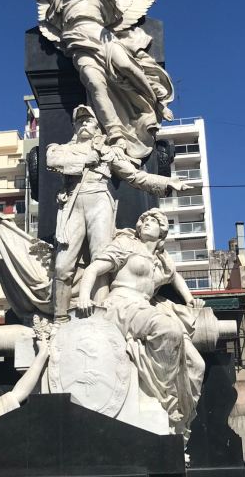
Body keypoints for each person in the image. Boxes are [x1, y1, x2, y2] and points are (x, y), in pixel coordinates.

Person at [20, 0, 173, 161]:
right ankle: (115, 133)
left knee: (130, 68)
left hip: (104, 38)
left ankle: (156, 103)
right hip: (81, 48)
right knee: (95, 86)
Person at [47, 105, 191, 320]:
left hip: (100, 203)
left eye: (88, 120)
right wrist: (85, 160)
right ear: (74, 126)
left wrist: (168, 181)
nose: (84, 124)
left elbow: (135, 176)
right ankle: (58, 319)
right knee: (62, 266)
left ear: (97, 126)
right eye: (80, 121)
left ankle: (100, 315)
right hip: (72, 204)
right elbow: (52, 162)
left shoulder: (108, 151)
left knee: (101, 259)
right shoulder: (59, 148)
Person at [76, 209, 205, 438]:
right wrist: (85, 296)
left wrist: (190, 299)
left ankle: (180, 422)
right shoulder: (126, 244)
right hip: (122, 305)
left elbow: (175, 277)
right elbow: (94, 268)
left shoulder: (161, 260)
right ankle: (166, 401)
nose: (146, 222)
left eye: (153, 220)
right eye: (143, 219)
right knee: (167, 329)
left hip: (146, 308)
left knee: (197, 365)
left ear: (162, 231)